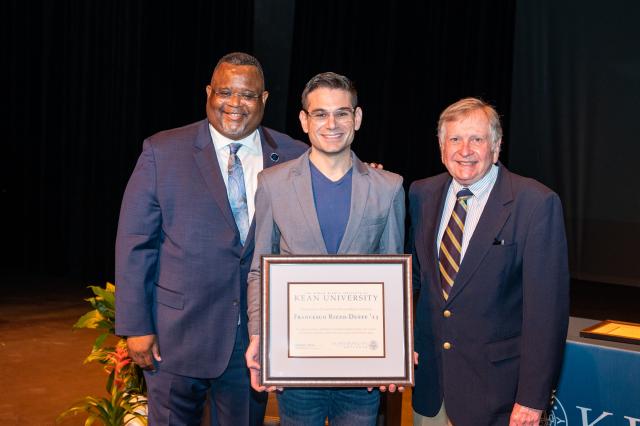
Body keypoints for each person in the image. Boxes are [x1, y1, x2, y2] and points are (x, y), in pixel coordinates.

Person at [115, 52, 308, 425]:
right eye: (225, 92)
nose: (235, 104)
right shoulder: (163, 151)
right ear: (208, 93)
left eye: (248, 95)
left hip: (251, 342)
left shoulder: (293, 156)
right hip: (175, 337)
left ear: (264, 100)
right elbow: (135, 243)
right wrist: (136, 326)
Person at [244, 72, 405, 425]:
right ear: (304, 120)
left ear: (357, 118)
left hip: (362, 368)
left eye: (342, 113)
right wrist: (257, 335)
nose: (331, 123)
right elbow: (259, 268)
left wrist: (395, 349)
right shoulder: (273, 184)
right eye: (320, 114)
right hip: (296, 363)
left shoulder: (388, 188)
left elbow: (394, 276)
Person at [409, 97, 569, 426]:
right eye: (455, 139)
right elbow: (413, 279)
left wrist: (531, 399)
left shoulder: (535, 204)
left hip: (498, 398)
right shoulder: (421, 194)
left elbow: (546, 314)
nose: (464, 149)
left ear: (495, 146)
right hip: (431, 389)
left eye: (476, 139)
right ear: (441, 146)